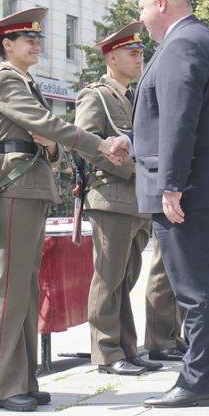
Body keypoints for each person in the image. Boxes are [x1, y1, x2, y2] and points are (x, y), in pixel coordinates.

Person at [113, 0, 209, 408]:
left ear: (160, 4)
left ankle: (197, 382)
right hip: (208, 185)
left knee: (196, 290)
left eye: (140, 8)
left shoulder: (180, 44)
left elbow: (179, 118)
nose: (140, 19)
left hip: (188, 189)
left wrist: (171, 184)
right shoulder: (200, 39)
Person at [0, 7, 120, 412]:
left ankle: (23, 377)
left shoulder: (26, 81)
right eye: (27, 38)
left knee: (24, 287)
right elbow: (44, 124)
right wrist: (96, 145)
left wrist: (54, 144)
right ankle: (3, 386)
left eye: (37, 38)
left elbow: (48, 137)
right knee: (9, 288)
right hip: (15, 186)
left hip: (31, 184)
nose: (35, 43)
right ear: (6, 45)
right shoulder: (6, 80)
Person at [75, 21, 158, 376]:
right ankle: (106, 351)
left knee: (126, 278)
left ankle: (126, 346)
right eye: (132, 52)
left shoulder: (130, 96)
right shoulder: (95, 95)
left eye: (141, 52)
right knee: (108, 278)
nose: (139, 58)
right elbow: (85, 143)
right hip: (110, 196)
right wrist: (131, 171)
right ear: (111, 57)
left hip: (135, 200)